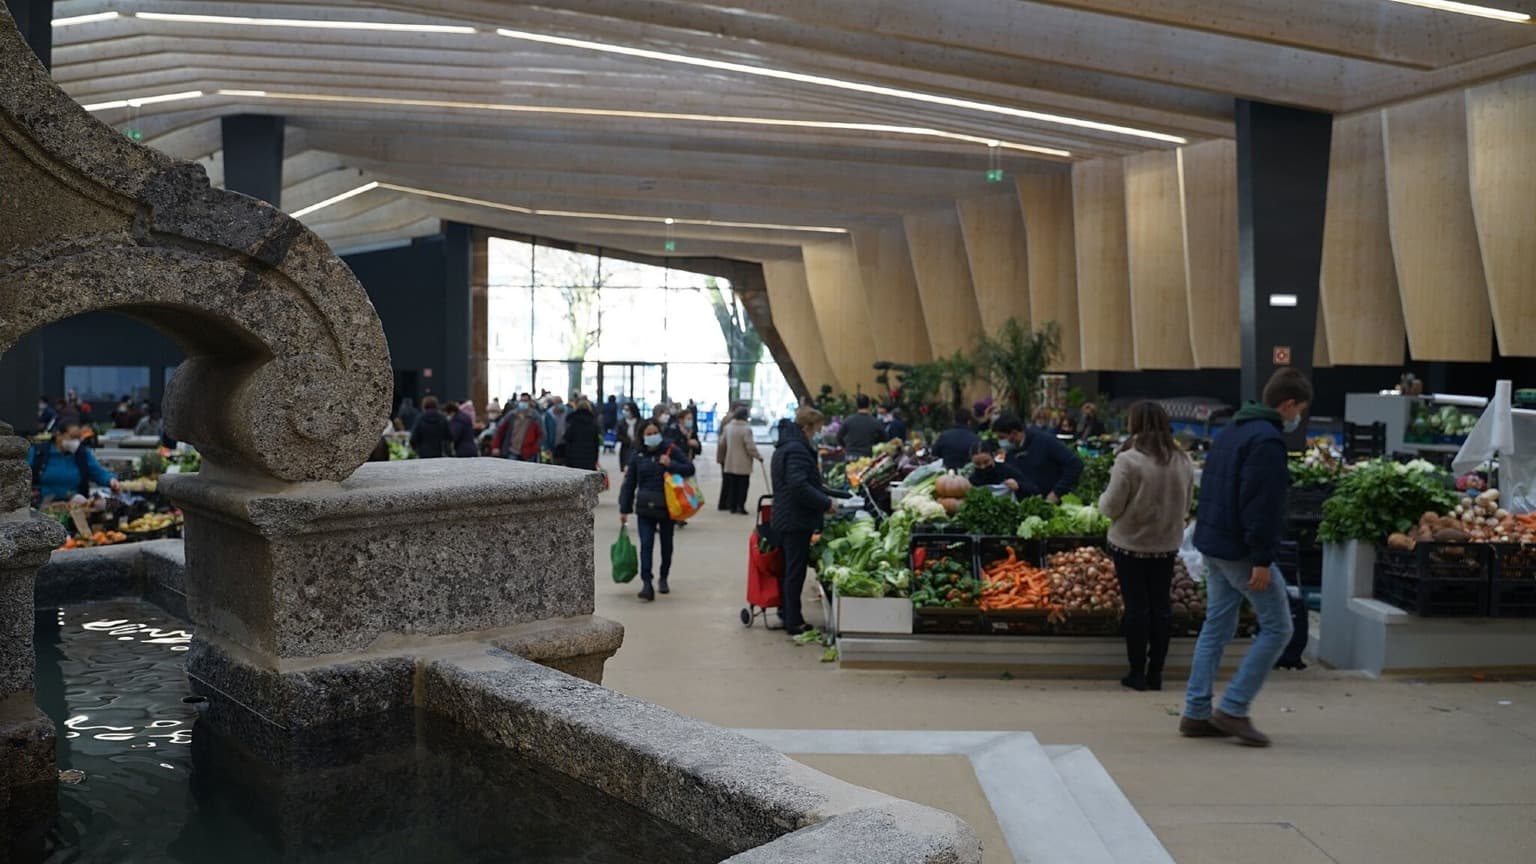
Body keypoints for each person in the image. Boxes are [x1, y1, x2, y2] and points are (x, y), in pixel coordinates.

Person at [1181, 368, 1311, 747]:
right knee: (1278, 627)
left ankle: (1196, 711)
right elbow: (1261, 506)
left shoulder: (1232, 431)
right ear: (1287, 404)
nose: (1296, 417)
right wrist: (1261, 558)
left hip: (1213, 541)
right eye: (1298, 409)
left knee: (1216, 626)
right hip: (1240, 548)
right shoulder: (1267, 442)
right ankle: (1234, 708)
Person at [1097, 402, 1194, 692]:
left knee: (1137, 608)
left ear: (1134, 423)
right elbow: (1187, 504)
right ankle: (1157, 672)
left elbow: (1111, 506)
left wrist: (1103, 504)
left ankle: (1136, 672)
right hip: (1166, 544)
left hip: (1130, 544)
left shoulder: (1129, 460)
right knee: (1161, 607)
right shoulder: (1182, 459)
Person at [770, 406, 840, 636]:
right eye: (817, 429)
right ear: (806, 427)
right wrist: (824, 503)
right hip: (795, 518)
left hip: (786, 515)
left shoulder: (785, 446)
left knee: (788, 569)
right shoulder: (797, 450)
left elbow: (799, 482)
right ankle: (794, 621)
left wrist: (819, 488)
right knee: (795, 571)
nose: (817, 433)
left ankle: (786, 611)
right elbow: (798, 485)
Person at [619, 421, 694, 602]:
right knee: (646, 544)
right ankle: (646, 583)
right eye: (648, 433)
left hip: (667, 506)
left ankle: (664, 577)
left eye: (655, 432)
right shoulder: (637, 454)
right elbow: (629, 483)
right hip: (644, 507)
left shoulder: (670, 449)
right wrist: (624, 508)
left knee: (667, 544)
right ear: (642, 436)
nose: (652, 436)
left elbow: (690, 468)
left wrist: (671, 464)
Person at [992, 413, 1083, 504]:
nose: (1001, 441)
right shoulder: (1011, 452)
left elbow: (1075, 463)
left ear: (1014, 433)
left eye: (1002, 437)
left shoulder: (1045, 441)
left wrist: (1057, 492)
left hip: (1051, 502)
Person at [31, 423, 118, 504]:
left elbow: (98, 472)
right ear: (58, 435)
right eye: (73, 437)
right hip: (40, 507)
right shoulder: (38, 453)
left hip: (75, 507)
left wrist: (110, 480)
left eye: (78, 438)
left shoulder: (83, 454)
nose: (76, 441)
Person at [720, 406, 762, 515]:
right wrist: (758, 456)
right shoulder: (746, 429)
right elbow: (750, 446)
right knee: (743, 486)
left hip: (730, 461)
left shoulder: (728, 427)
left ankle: (732, 506)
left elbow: (722, 443)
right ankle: (741, 506)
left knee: (733, 485)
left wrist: (721, 457)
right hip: (743, 463)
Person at [968, 440, 1035, 499]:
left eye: (986, 462)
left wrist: (1018, 486)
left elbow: (1033, 489)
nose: (983, 467)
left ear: (993, 456)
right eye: (977, 464)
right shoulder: (973, 480)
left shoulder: (1007, 470)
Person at [492, 395, 544, 461]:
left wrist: (534, 449)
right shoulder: (512, 415)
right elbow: (500, 429)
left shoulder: (535, 417)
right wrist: (496, 446)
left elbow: (541, 435)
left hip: (529, 452)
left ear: (530, 402)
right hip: (512, 450)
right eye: (521, 401)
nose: (523, 403)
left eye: (525, 401)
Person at [836, 394, 885, 460]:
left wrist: (845, 447)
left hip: (850, 455)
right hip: (866, 457)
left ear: (857, 405)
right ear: (869, 405)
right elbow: (885, 437)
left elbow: (839, 436)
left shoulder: (848, 420)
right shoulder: (874, 421)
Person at [562, 399, 602, 471]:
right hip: (589, 456)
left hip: (573, 455)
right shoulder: (593, 422)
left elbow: (567, 437)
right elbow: (596, 442)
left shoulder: (572, 421)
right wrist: (595, 459)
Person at [618, 402, 641, 471]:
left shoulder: (640, 422)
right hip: (626, 448)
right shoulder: (621, 423)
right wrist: (627, 440)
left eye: (627, 410)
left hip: (638, 448)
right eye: (624, 410)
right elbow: (618, 436)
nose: (625, 412)